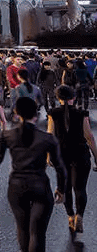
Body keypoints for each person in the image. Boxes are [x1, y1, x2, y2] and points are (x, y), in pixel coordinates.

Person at [0, 96, 67, 252]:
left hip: (17, 186)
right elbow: (60, 167)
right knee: (38, 233)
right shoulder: (48, 138)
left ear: (16, 114)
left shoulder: (7, 135)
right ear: (37, 113)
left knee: (23, 229)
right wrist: (61, 189)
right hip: (40, 185)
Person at [47, 84, 97, 235]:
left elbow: (50, 135)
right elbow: (90, 137)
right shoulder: (81, 113)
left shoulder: (53, 113)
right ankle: (80, 215)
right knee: (80, 188)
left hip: (61, 155)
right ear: (73, 98)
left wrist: (49, 156)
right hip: (81, 154)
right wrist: (96, 157)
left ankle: (70, 216)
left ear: (58, 98)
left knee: (66, 189)